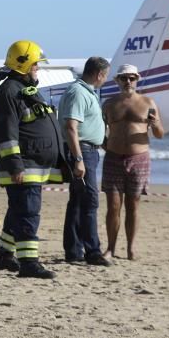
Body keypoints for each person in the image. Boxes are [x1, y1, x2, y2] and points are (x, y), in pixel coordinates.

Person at [0, 40, 67, 279]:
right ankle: (29, 262)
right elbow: (6, 134)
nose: (38, 69)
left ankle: (4, 254)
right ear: (22, 64)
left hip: (35, 165)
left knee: (18, 211)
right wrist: (15, 165)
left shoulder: (25, 89)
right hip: (24, 166)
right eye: (35, 65)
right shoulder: (8, 92)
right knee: (28, 213)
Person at [101, 64, 164, 260]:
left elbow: (160, 134)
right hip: (113, 158)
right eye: (124, 78)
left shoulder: (148, 102)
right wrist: (108, 146)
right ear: (117, 80)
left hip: (139, 158)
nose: (128, 81)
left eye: (132, 78)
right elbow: (99, 130)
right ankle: (110, 248)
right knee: (113, 205)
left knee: (133, 204)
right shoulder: (109, 104)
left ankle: (131, 248)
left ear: (137, 79)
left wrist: (155, 125)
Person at [59, 57, 111, 266]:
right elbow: (71, 127)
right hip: (83, 151)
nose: (105, 80)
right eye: (105, 76)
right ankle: (92, 251)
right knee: (89, 200)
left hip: (89, 150)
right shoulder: (79, 93)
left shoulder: (85, 92)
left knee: (79, 201)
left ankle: (74, 250)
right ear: (99, 74)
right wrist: (78, 158)